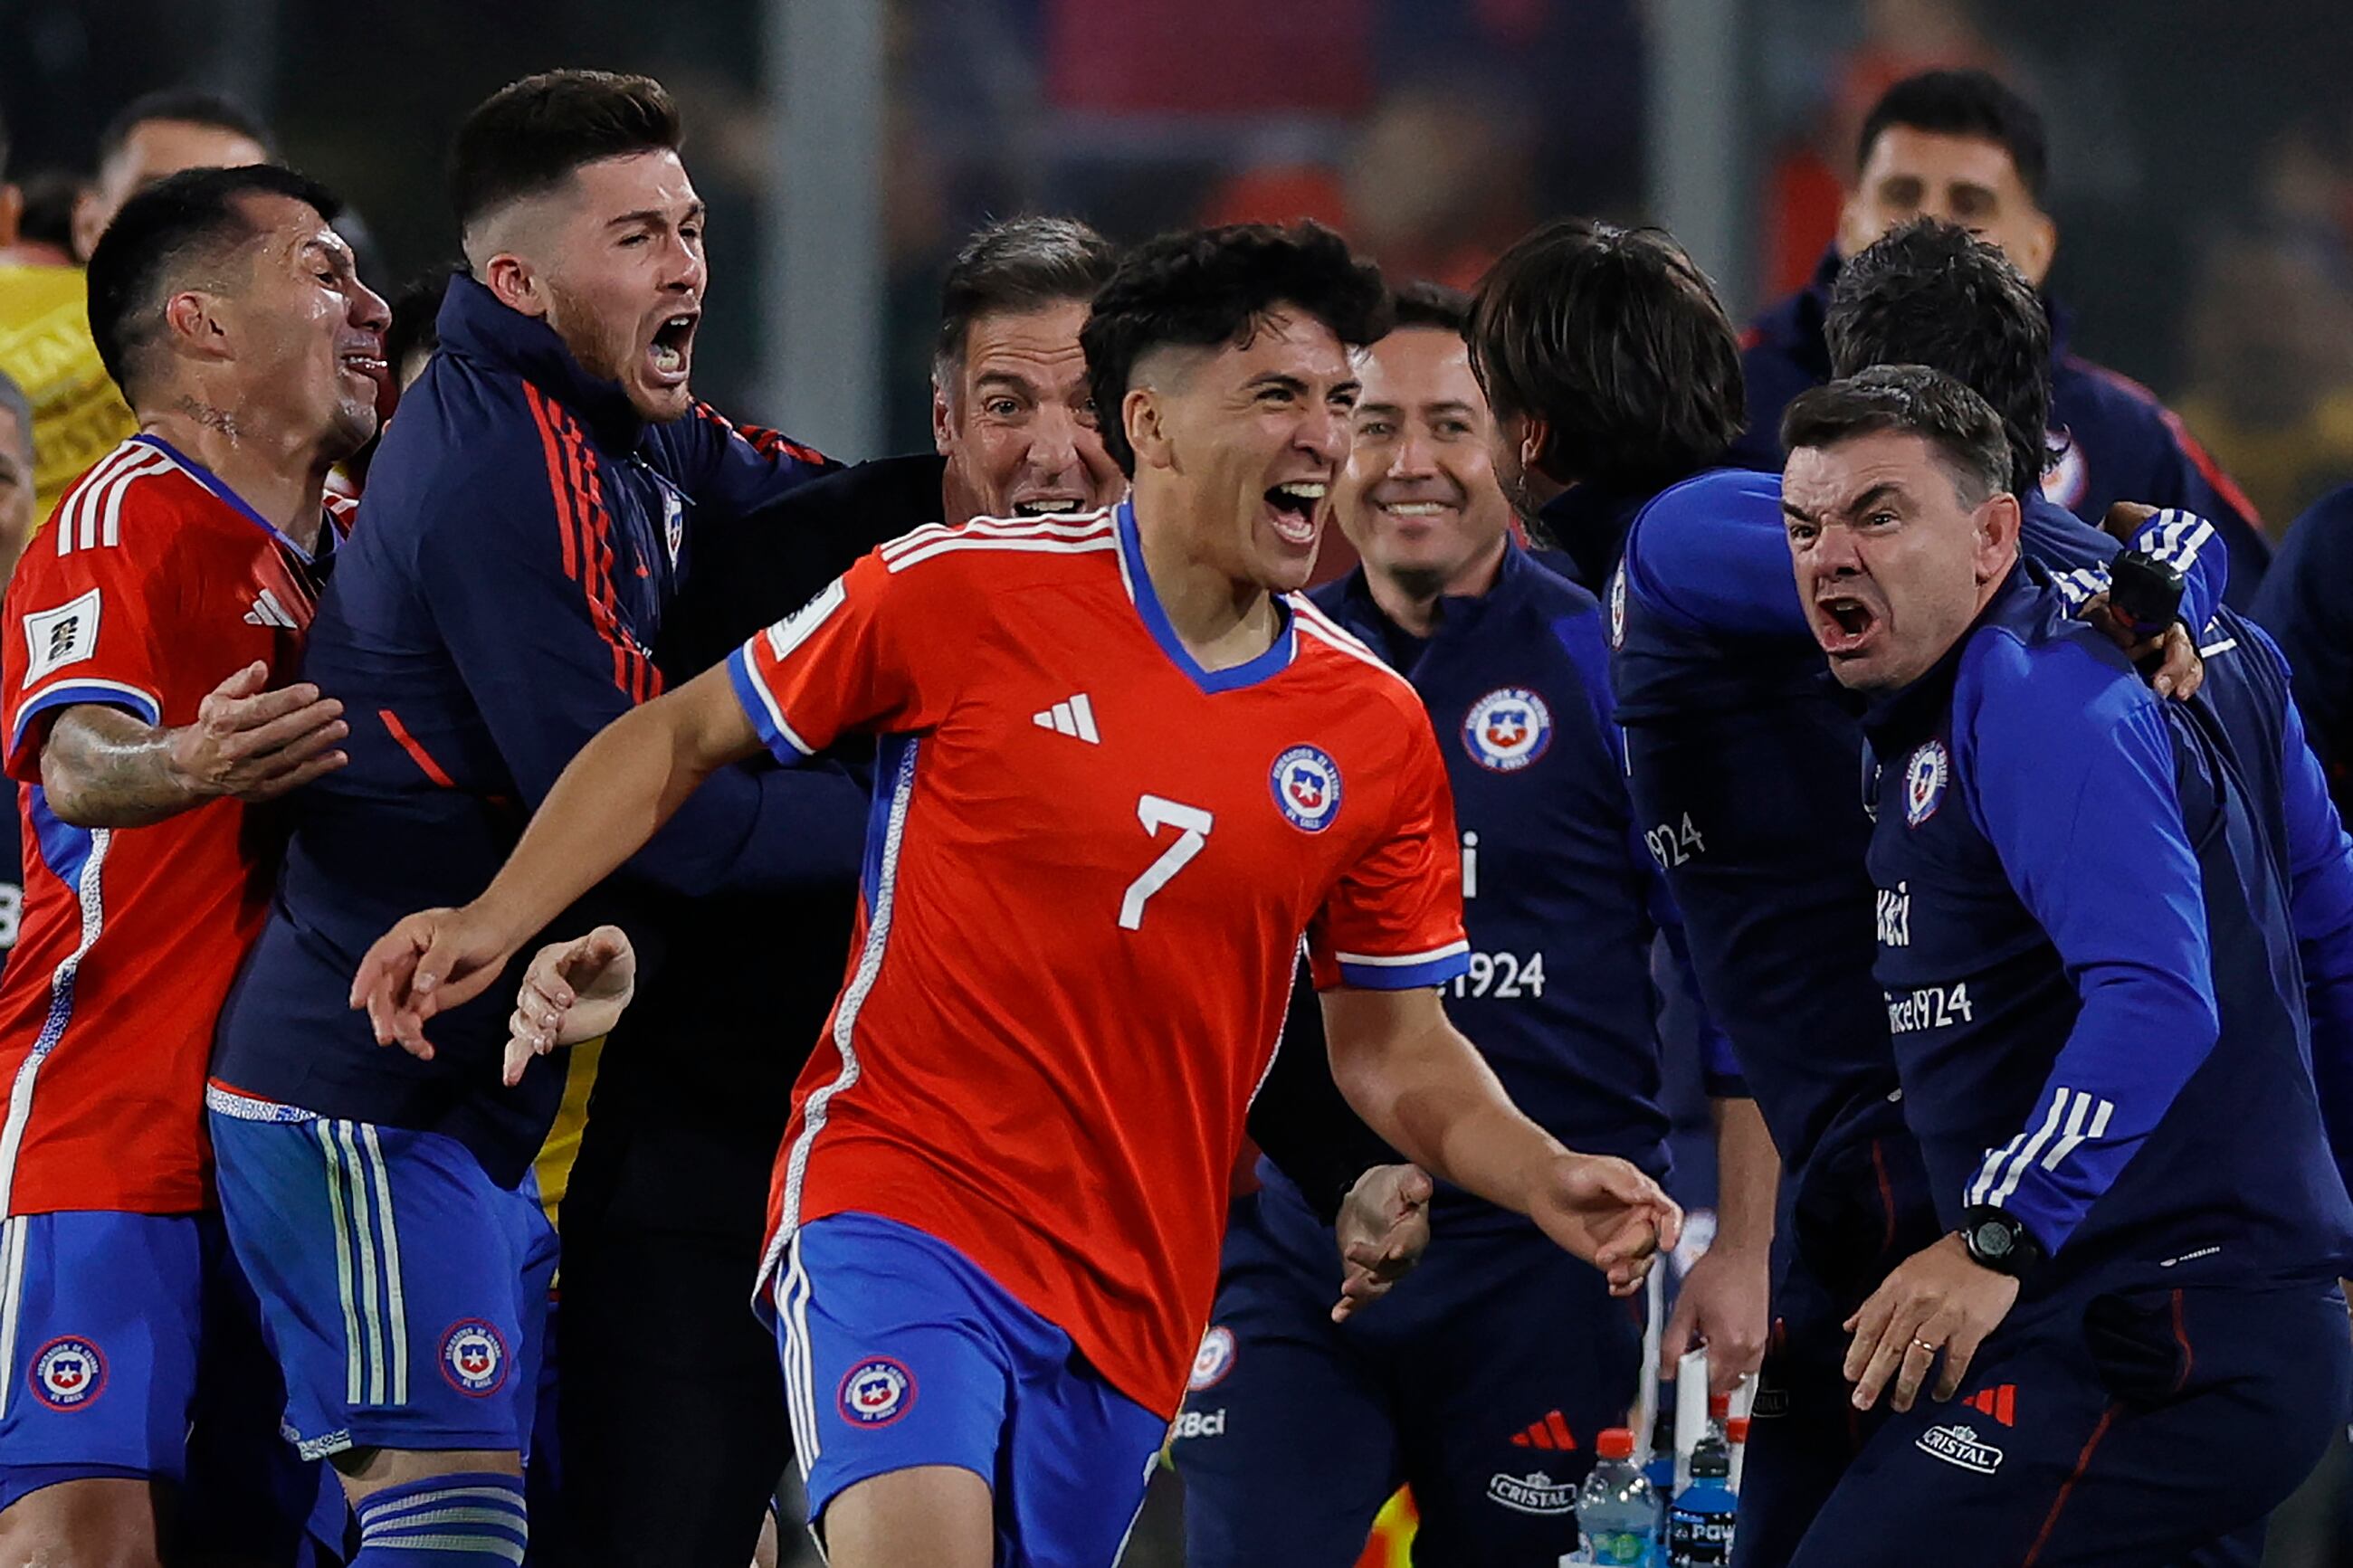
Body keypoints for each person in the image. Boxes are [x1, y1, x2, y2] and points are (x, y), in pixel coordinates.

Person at [352, 220, 1683, 1568]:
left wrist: (1540, 1170)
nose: (1324, 440)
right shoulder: (955, 590)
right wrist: (493, 919)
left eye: (1336, 401)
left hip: (1130, 1284)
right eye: (1278, 396)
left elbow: (1394, 1049)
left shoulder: (1372, 726)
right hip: (897, 1197)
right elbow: (675, 736)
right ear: (1153, 423)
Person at [1464, 215, 2216, 1568]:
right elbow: (1724, 982)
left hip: (1911, 1169)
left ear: (1524, 435)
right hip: (1868, 1167)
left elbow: (1996, 561)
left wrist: (2170, 570)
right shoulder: (1714, 575)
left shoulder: (1692, 541)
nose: (1834, 562)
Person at [199, 70, 840, 1563]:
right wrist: (913, 815)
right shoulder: (504, 456)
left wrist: (1008, 510)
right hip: (361, 1091)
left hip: (463, 1112)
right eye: (637, 235)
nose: (686, 262)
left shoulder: (617, 428)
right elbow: (648, 807)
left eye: (688, 225)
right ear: (520, 280)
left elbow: (804, 503)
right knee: (447, 1533)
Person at [1170, 281, 1768, 1566]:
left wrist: (1749, 1248)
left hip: (1551, 1269)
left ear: (1517, 445)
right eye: (1372, 423)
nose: (1409, 464)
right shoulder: (1253, 667)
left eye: (1452, 423)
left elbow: (1734, 980)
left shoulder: (1614, 661)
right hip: (1309, 1245)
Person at [1777, 366, 2353, 1565]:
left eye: (1878, 515)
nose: (1831, 554)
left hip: (2167, 1318)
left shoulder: (2037, 690)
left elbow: (2158, 998)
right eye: (1803, 526)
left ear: (1995, 536)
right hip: (2145, 1310)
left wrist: (1994, 1235)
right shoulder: (1923, 715)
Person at [0, 162, 381, 1563]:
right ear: (204, 323)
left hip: (303, 1151)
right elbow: (79, 760)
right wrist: (193, 765)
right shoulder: (125, 517)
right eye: (323, 270)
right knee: (83, 1538)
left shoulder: (355, 546)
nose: (367, 304)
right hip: (115, 1133)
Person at [1731, 68, 2271, 609]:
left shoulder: (2131, 435)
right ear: (1848, 221)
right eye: (1902, 194)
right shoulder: (1736, 394)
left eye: (1970, 204)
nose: (1932, 224)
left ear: (2038, 247)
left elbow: (2254, 627)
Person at [2, 89, 272, 528]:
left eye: (228, 215)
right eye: (156, 204)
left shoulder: (306, 402)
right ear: (89, 223)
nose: (189, 238)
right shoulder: (11, 304)